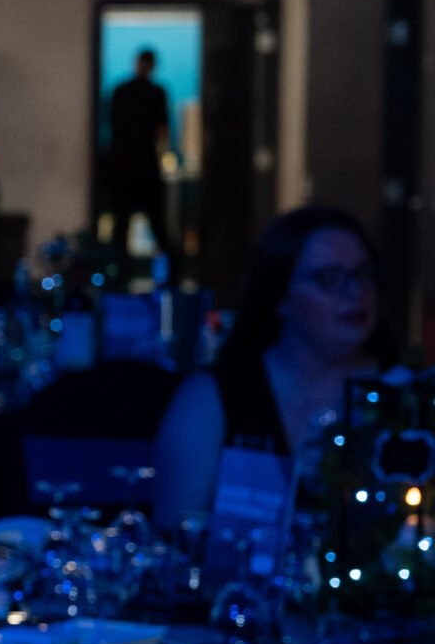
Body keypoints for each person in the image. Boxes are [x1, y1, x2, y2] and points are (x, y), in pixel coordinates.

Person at [154, 206, 395, 519]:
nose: (356, 292)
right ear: (279, 295)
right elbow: (177, 532)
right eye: (330, 278)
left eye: (364, 274)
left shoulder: (406, 391)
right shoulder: (216, 397)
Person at [106, 47, 172, 252]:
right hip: (144, 164)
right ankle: (169, 266)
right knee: (154, 220)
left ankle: (119, 266)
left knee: (122, 222)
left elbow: (112, 126)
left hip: (125, 164)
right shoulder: (155, 93)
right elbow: (162, 131)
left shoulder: (122, 91)